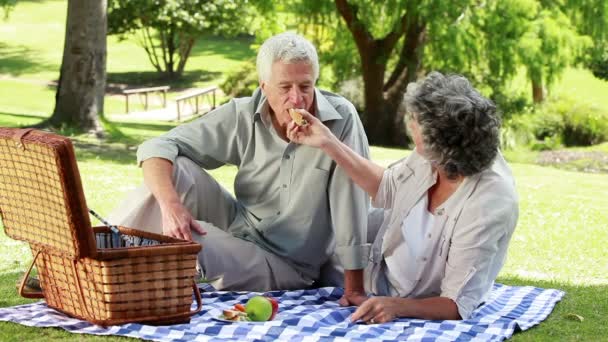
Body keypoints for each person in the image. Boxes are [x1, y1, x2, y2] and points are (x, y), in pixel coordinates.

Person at [108, 32, 371, 305]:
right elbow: (157, 146)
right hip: (240, 225)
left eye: (305, 87)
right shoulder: (243, 114)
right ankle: (96, 254)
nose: (297, 99)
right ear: (264, 86)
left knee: (181, 244)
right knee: (177, 169)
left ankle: (110, 278)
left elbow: (352, 204)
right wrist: (171, 206)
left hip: (286, 264)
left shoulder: (341, 120)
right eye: (284, 88)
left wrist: (354, 289)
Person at [287, 71, 519, 322]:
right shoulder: (432, 156)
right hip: (379, 267)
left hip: (417, 295)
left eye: (415, 122)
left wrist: (397, 307)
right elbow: (388, 187)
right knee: (316, 236)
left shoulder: (487, 204)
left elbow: (455, 304)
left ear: (440, 144)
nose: (410, 125)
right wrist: (328, 142)